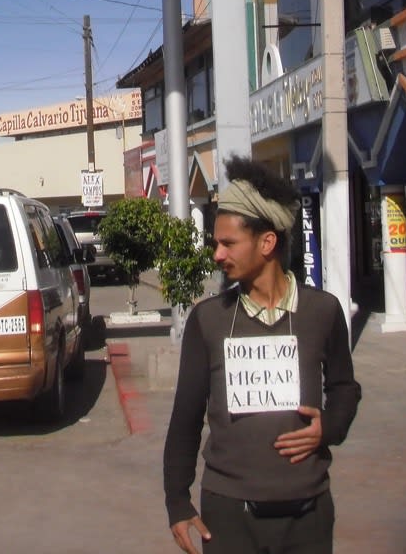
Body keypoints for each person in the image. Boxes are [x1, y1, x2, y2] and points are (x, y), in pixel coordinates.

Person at [163, 155, 361, 554]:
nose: (217, 254)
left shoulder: (322, 311)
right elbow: (185, 416)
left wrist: (331, 427)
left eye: (228, 243)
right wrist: (178, 503)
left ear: (267, 242)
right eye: (216, 243)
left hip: (308, 512)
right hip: (228, 514)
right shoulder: (209, 320)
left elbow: (344, 387)